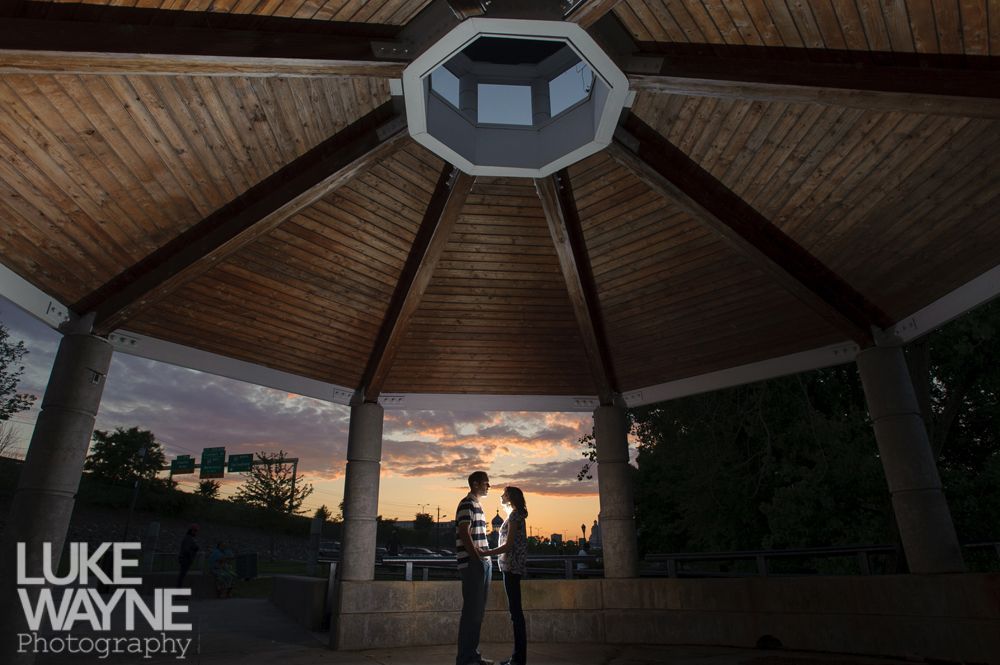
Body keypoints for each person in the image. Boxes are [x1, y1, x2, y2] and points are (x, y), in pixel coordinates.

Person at [483, 487, 528, 665]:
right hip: (510, 566)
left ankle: (518, 659)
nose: (501, 496)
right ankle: (518, 657)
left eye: (504, 493)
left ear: (510, 497)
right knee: (515, 613)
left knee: (515, 613)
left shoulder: (515, 516)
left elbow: (508, 545)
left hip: (511, 567)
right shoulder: (515, 515)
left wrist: (486, 552)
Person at [455, 471, 492, 665]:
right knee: (471, 613)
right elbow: (464, 531)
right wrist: (476, 558)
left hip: (482, 563)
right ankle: (465, 659)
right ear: (476, 484)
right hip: (473, 564)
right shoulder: (466, 504)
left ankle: (473, 656)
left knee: (478, 613)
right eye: (486, 483)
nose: (489, 486)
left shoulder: (478, 506)